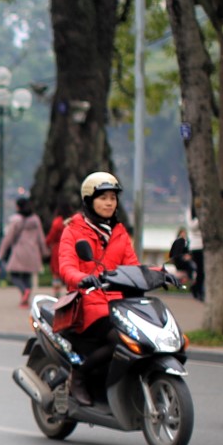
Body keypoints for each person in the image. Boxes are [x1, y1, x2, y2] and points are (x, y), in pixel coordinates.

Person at [57, 172, 139, 407]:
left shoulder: (119, 233)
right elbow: (66, 266)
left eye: (113, 198)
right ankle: (79, 374)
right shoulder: (73, 230)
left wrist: (161, 273)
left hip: (118, 303)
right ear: (89, 201)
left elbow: (132, 266)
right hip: (88, 303)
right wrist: (82, 278)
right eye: (103, 198)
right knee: (122, 339)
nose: (109, 203)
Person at [0, 196, 49, 308]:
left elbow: (9, 237)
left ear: (18, 207)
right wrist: (45, 251)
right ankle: (25, 299)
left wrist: (1, 253)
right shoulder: (35, 219)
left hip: (20, 251)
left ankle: (24, 291)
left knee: (13, 274)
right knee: (27, 275)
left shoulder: (16, 220)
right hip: (33, 251)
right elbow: (41, 237)